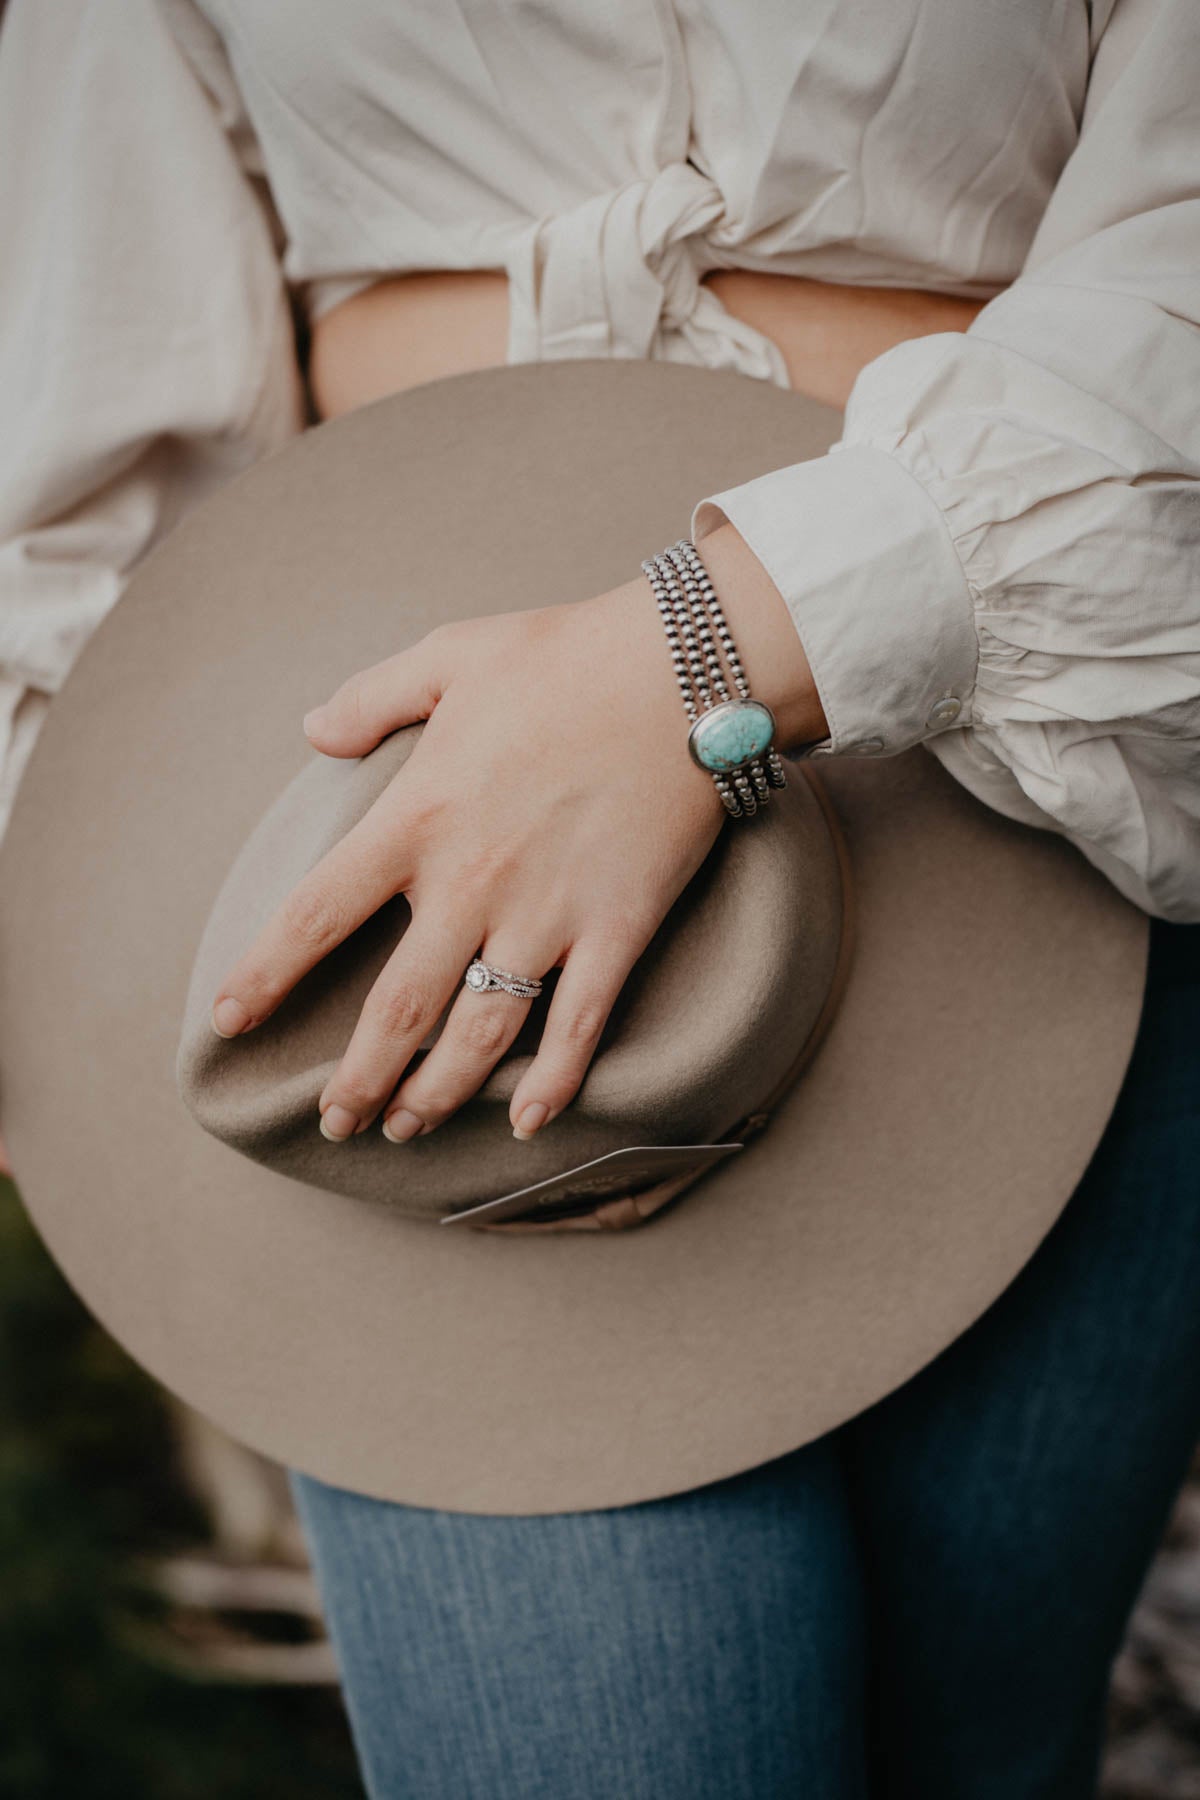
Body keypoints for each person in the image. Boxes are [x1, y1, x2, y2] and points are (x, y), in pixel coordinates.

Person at [0, 2, 1197, 1794]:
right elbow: (94, 378)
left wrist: (692, 655)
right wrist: (64, 878)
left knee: (983, 1755)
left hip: (1049, 773)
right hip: (404, 863)